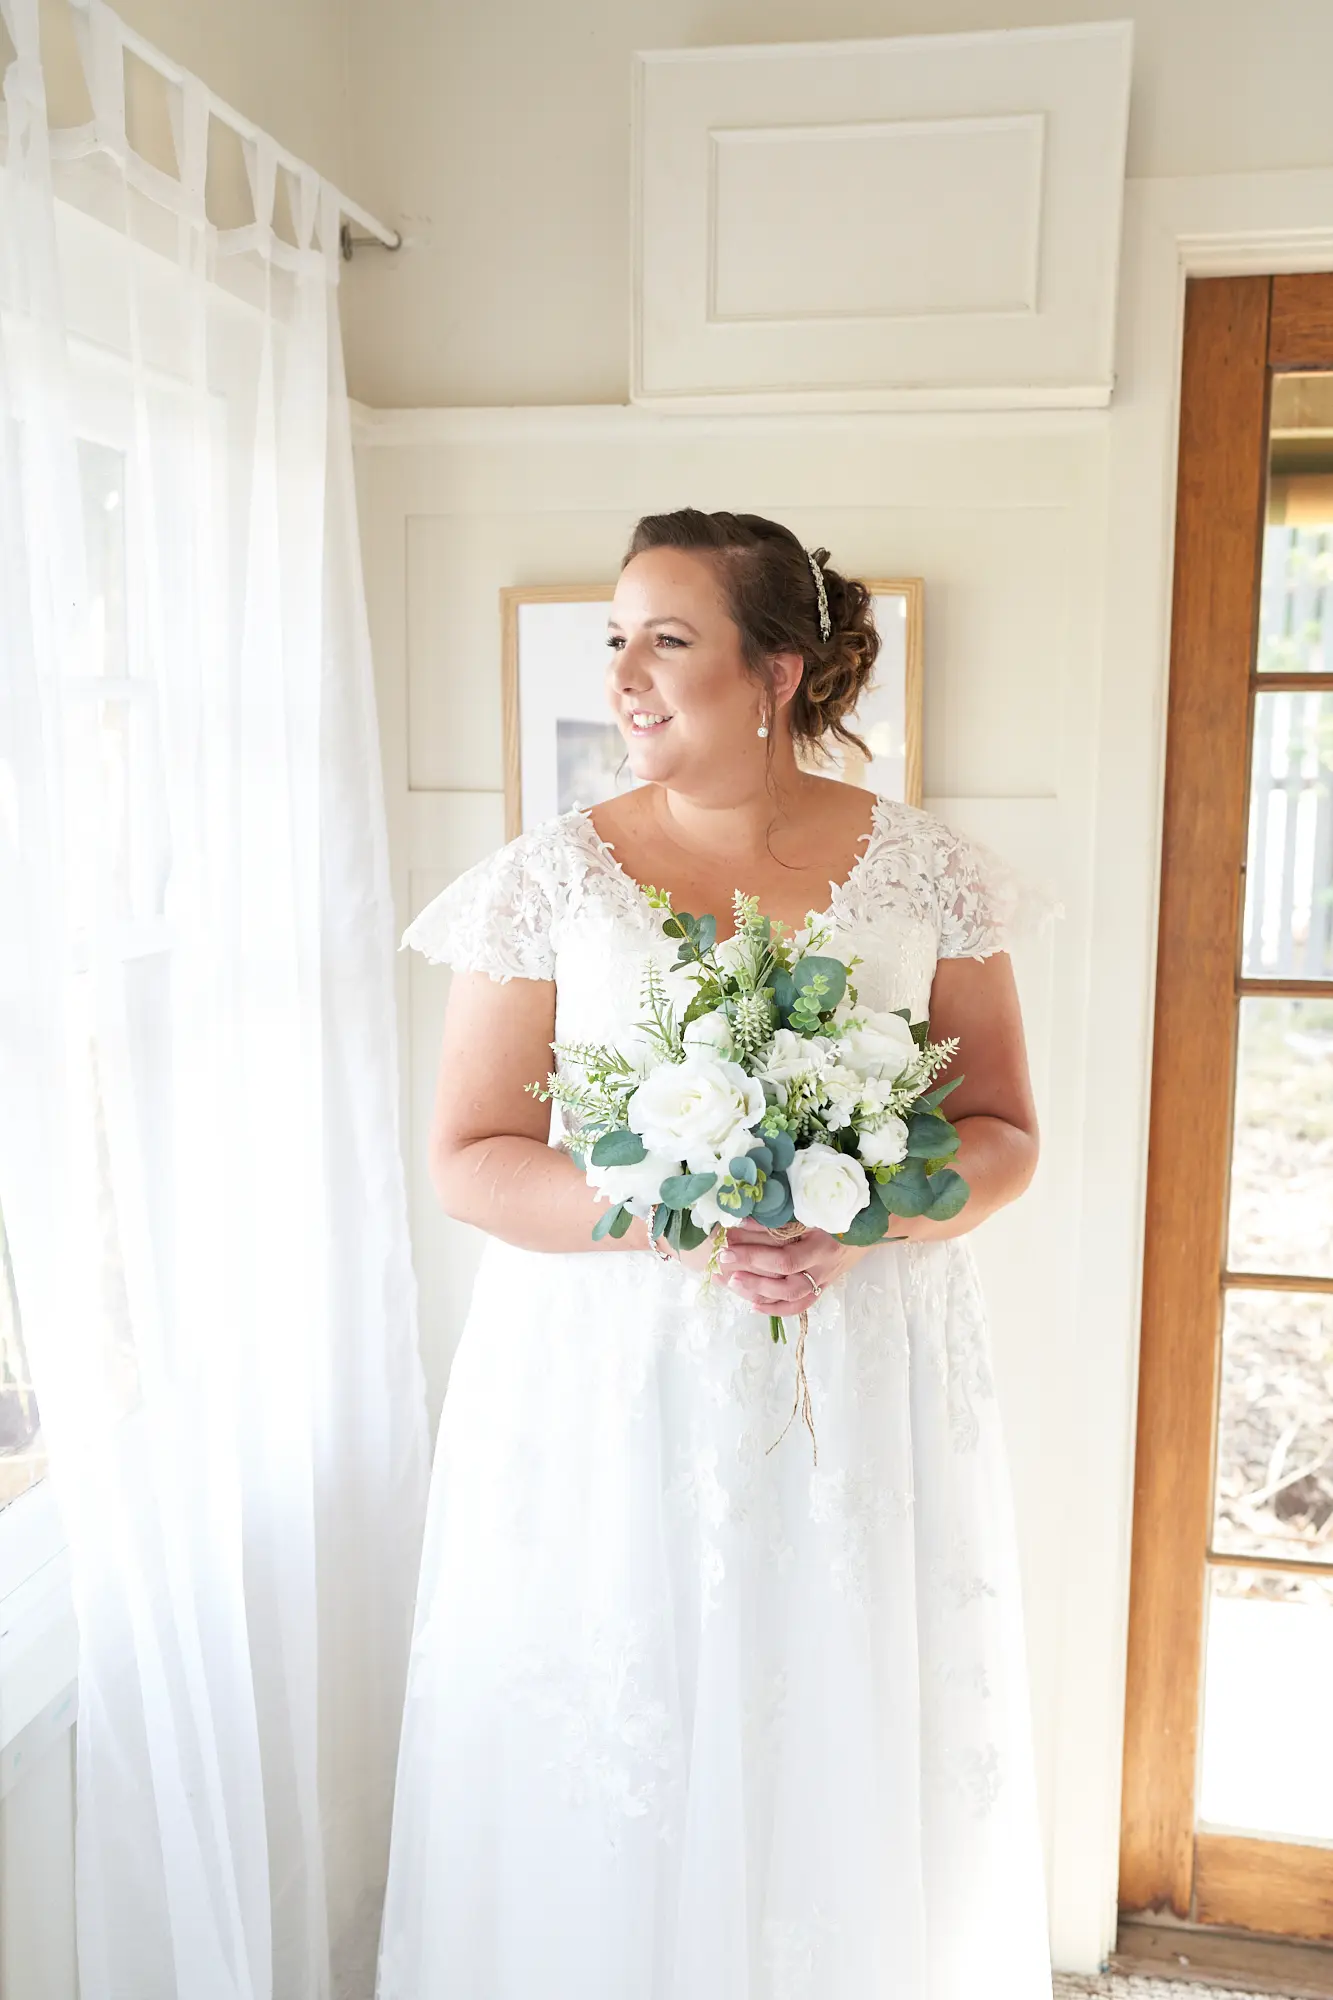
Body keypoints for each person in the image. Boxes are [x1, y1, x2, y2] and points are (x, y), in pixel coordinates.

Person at [375, 509, 1054, 2000]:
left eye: (667, 639)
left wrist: (866, 1217)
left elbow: (1003, 1131)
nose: (625, 673)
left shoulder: (927, 872)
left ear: (776, 672)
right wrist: (668, 1210)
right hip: (611, 1390)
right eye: (615, 638)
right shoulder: (547, 881)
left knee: (832, 1732)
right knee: (625, 1740)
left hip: (855, 1378)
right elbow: (472, 1156)